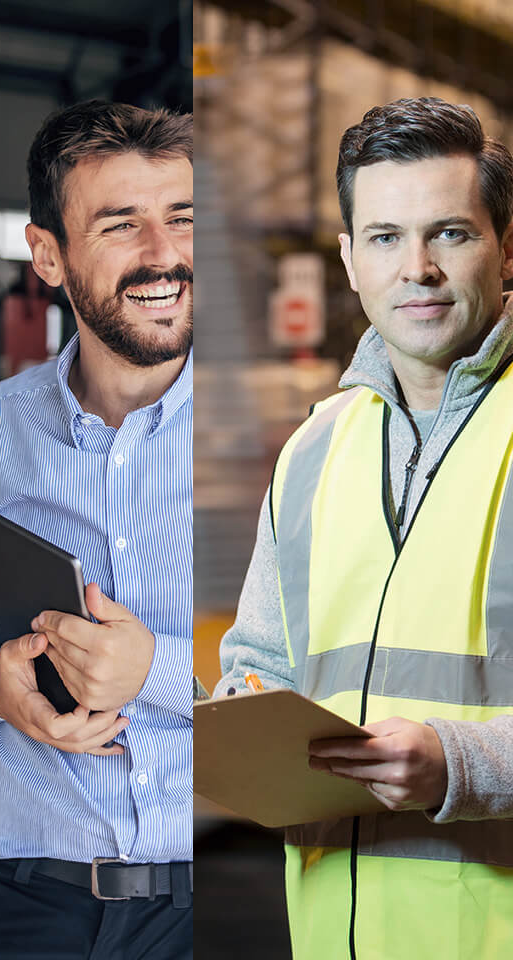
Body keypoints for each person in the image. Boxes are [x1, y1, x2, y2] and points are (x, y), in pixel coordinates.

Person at [216, 97, 513, 959]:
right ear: (348, 260)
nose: (416, 268)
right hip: (331, 937)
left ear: (506, 247)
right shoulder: (313, 448)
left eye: (450, 234)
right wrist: (240, 720)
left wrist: (457, 762)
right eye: (385, 237)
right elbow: (259, 661)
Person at [0, 100, 193, 959]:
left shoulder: (282, 445)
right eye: (121, 225)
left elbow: (321, 673)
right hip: (24, 884)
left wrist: (154, 671)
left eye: (180, 219)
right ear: (48, 256)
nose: (164, 255)